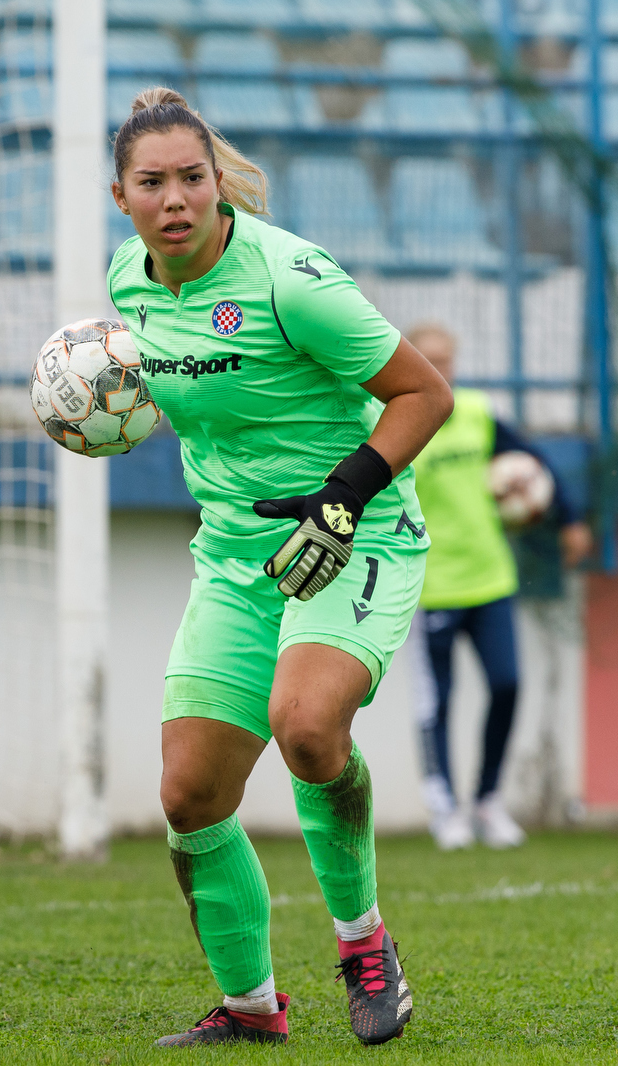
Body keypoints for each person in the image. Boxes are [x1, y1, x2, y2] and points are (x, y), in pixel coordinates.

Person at [106, 88, 452, 1047]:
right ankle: (252, 1009)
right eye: (152, 183)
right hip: (235, 558)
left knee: (305, 727)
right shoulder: (128, 286)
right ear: (122, 196)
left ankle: (363, 943)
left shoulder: (289, 277)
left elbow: (426, 395)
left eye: (191, 178)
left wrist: (344, 499)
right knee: (189, 795)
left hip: (356, 534)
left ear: (218, 184)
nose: (174, 199)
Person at [406, 323, 592, 851]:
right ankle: (445, 808)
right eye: (429, 360)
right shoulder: (395, 420)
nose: (440, 370)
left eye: (448, 360)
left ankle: (487, 799)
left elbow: (534, 466)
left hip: (490, 579)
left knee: (508, 684)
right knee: (437, 702)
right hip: (431, 586)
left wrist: (569, 519)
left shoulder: (475, 413)